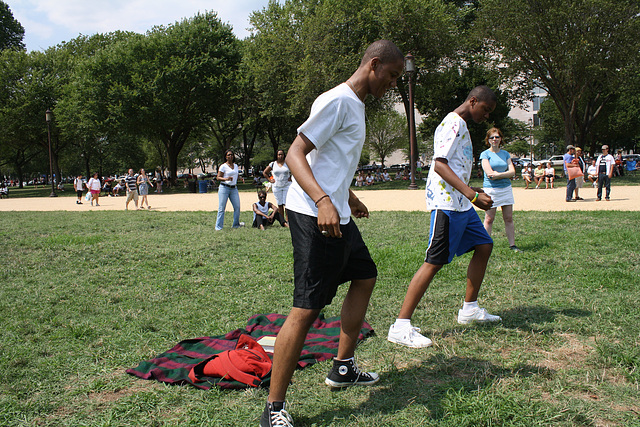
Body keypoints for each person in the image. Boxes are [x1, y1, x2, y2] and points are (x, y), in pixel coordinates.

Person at [259, 40, 404, 427]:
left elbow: (331, 160)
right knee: (306, 309)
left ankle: (342, 367)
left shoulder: (355, 106)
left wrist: (348, 198)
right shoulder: (338, 100)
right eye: (391, 76)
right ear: (374, 65)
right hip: (313, 215)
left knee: (365, 275)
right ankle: (274, 408)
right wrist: (324, 200)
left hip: (337, 214)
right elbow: (295, 153)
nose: (393, 85)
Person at [387, 85, 500, 350]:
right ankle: (401, 325)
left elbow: (456, 166)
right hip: (448, 204)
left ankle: (469, 309)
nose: (486, 116)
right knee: (433, 262)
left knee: (484, 245)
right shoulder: (452, 123)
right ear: (473, 101)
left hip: (462, 203)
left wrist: (473, 191)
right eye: (485, 109)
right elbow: (439, 164)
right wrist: (473, 195)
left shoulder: (461, 124)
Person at [480, 128, 521, 252]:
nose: (495, 139)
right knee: (489, 218)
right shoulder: (485, 154)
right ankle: (484, 245)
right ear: (488, 140)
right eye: (492, 137)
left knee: (508, 218)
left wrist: (498, 175)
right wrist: (504, 174)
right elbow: (489, 174)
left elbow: (513, 171)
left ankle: (512, 245)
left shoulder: (505, 154)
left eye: (497, 137)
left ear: (501, 139)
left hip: (506, 189)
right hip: (491, 190)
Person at [215, 150, 244, 230]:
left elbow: (235, 175)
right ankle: (218, 227)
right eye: (228, 155)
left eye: (231, 155)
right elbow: (218, 177)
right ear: (226, 157)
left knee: (237, 207)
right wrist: (226, 179)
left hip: (234, 188)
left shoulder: (235, 165)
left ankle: (236, 225)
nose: (230, 156)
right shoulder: (223, 166)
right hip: (224, 188)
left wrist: (240, 178)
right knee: (222, 208)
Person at [263, 149, 292, 221]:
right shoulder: (273, 164)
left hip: (286, 186)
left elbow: (295, 170)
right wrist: (270, 180)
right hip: (276, 186)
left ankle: (288, 220)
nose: (280, 156)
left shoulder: (287, 163)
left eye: (282, 154)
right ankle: (282, 221)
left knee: (287, 204)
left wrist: (291, 177)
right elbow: (265, 172)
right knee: (280, 204)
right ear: (276, 155)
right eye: (279, 154)